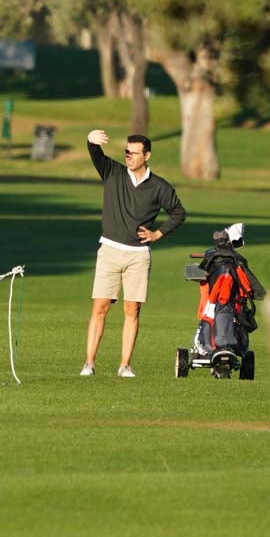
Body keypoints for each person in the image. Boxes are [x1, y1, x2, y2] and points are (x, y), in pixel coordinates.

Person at [81, 131, 187, 378]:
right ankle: (89, 363)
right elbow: (95, 153)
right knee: (100, 307)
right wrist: (90, 139)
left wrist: (157, 234)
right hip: (109, 250)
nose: (128, 156)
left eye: (134, 153)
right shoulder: (113, 172)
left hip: (138, 255)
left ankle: (125, 365)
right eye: (126, 152)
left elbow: (178, 213)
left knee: (132, 310)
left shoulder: (159, 186)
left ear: (147, 155)